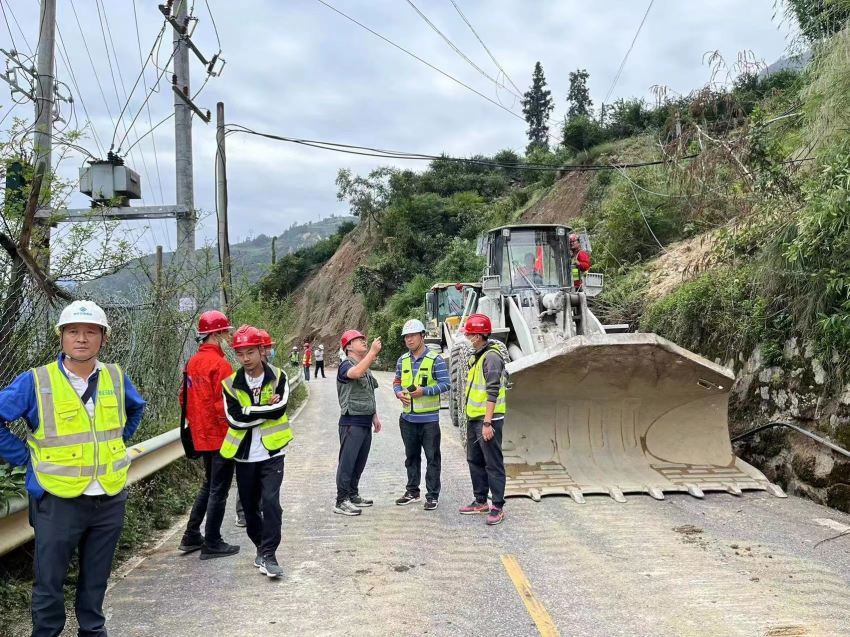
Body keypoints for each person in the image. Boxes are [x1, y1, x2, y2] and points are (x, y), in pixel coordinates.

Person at [0, 300, 146, 637]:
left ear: (103, 338)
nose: (81, 338)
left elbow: (136, 409)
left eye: (90, 332)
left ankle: (92, 631)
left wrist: (115, 446)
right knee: (49, 582)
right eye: (73, 332)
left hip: (108, 497)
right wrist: (25, 458)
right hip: (57, 500)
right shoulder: (37, 381)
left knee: (96, 580)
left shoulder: (115, 376)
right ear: (62, 337)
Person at [221, 326, 292, 578]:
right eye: (240, 354)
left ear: (262, 351)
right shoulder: (230, 384)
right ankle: (261, 548)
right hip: (244, 455)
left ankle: (270, 554)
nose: (245, 359)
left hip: (273, 453)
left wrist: (250, 409)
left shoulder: (279, 376)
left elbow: (280, 409)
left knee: (271, 503)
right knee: (250, 508)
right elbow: (235, 419)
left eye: (250, 352)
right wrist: (263, 407)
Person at [178, 310, 243, 555]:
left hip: (200, 435)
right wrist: (233, 435)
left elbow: (183, 397)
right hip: (220, 436)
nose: (228, 335)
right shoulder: (221, 364)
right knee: (219, 489)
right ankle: (212, 541)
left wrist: (197, 422)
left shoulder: (192, 362)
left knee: (209, 484)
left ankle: (191, 535)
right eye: (226, 331)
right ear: (216, 333)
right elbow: (224, 406)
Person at [393, 319, 450, 510]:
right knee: (411, 457)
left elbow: (446, 384)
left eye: (412, 336)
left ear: (422, 336)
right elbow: (397, 381)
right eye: (406, 337)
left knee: (433, 458)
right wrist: (398, 392)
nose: (409, 340)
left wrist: (424, 391)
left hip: (429, 421)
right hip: (408, 419)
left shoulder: (436, 359)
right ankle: (412, 491)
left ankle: (432, 495)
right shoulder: (402, 360)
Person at [458, 313, 507, 526]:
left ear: (478, 335)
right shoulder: (476, 356)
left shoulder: (492, 357)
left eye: (470, 333)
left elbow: (492, 391)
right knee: (474, 460)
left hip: (488, 419)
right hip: (474, 417)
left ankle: (497, 506)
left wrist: (487, 423)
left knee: (493, 463)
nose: (467, 336)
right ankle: (480, 500)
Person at [334, 330, 382, 516]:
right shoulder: (346, 365)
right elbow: (354, 374)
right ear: (348, 346)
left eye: (363, 339)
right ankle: (341, 500)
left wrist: (374, 416)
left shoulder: (365, 366)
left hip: (364, 421)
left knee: (359, 462)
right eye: (358, 340)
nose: (363, 341)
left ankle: (353, 494)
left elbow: (369, 392)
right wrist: (372, 353)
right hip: (351, 422)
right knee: (347, 463)